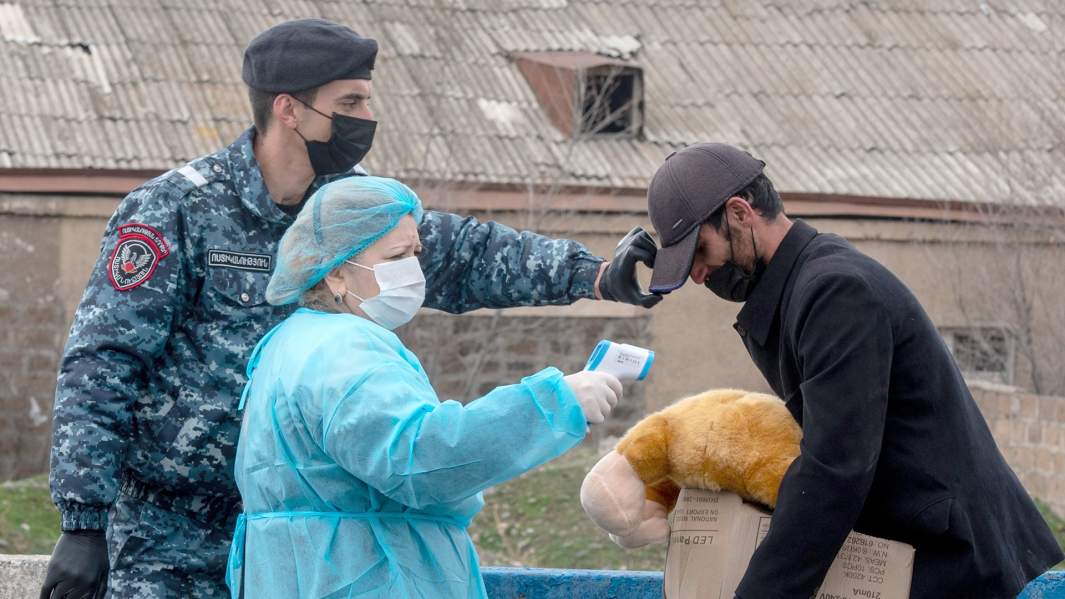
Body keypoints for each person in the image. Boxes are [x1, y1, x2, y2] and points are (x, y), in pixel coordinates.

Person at [40, 18, 660, 599]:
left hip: (293, 535)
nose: (368, 118)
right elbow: (103, 364)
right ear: (289, 108)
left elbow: (464, 254)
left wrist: (596, 275)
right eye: (350, 104)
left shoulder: (350, 205)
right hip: (167, 532)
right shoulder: (176, 210)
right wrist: (83, 519)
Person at [643, 143, 1063, 599]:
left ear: (740, 213)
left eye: (700, 252)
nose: (699, 275)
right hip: (915, 548)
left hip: (950, 557)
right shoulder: (805, 286)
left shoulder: (834, 293)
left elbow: (834, 469)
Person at [226, 176, 622, 598]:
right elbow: (419, 458)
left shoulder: (291, 343)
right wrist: (552, 404)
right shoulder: (345, 348)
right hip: (366, 573)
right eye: (396, 255)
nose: (412, 270)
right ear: (337, 273)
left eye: (415, 253)